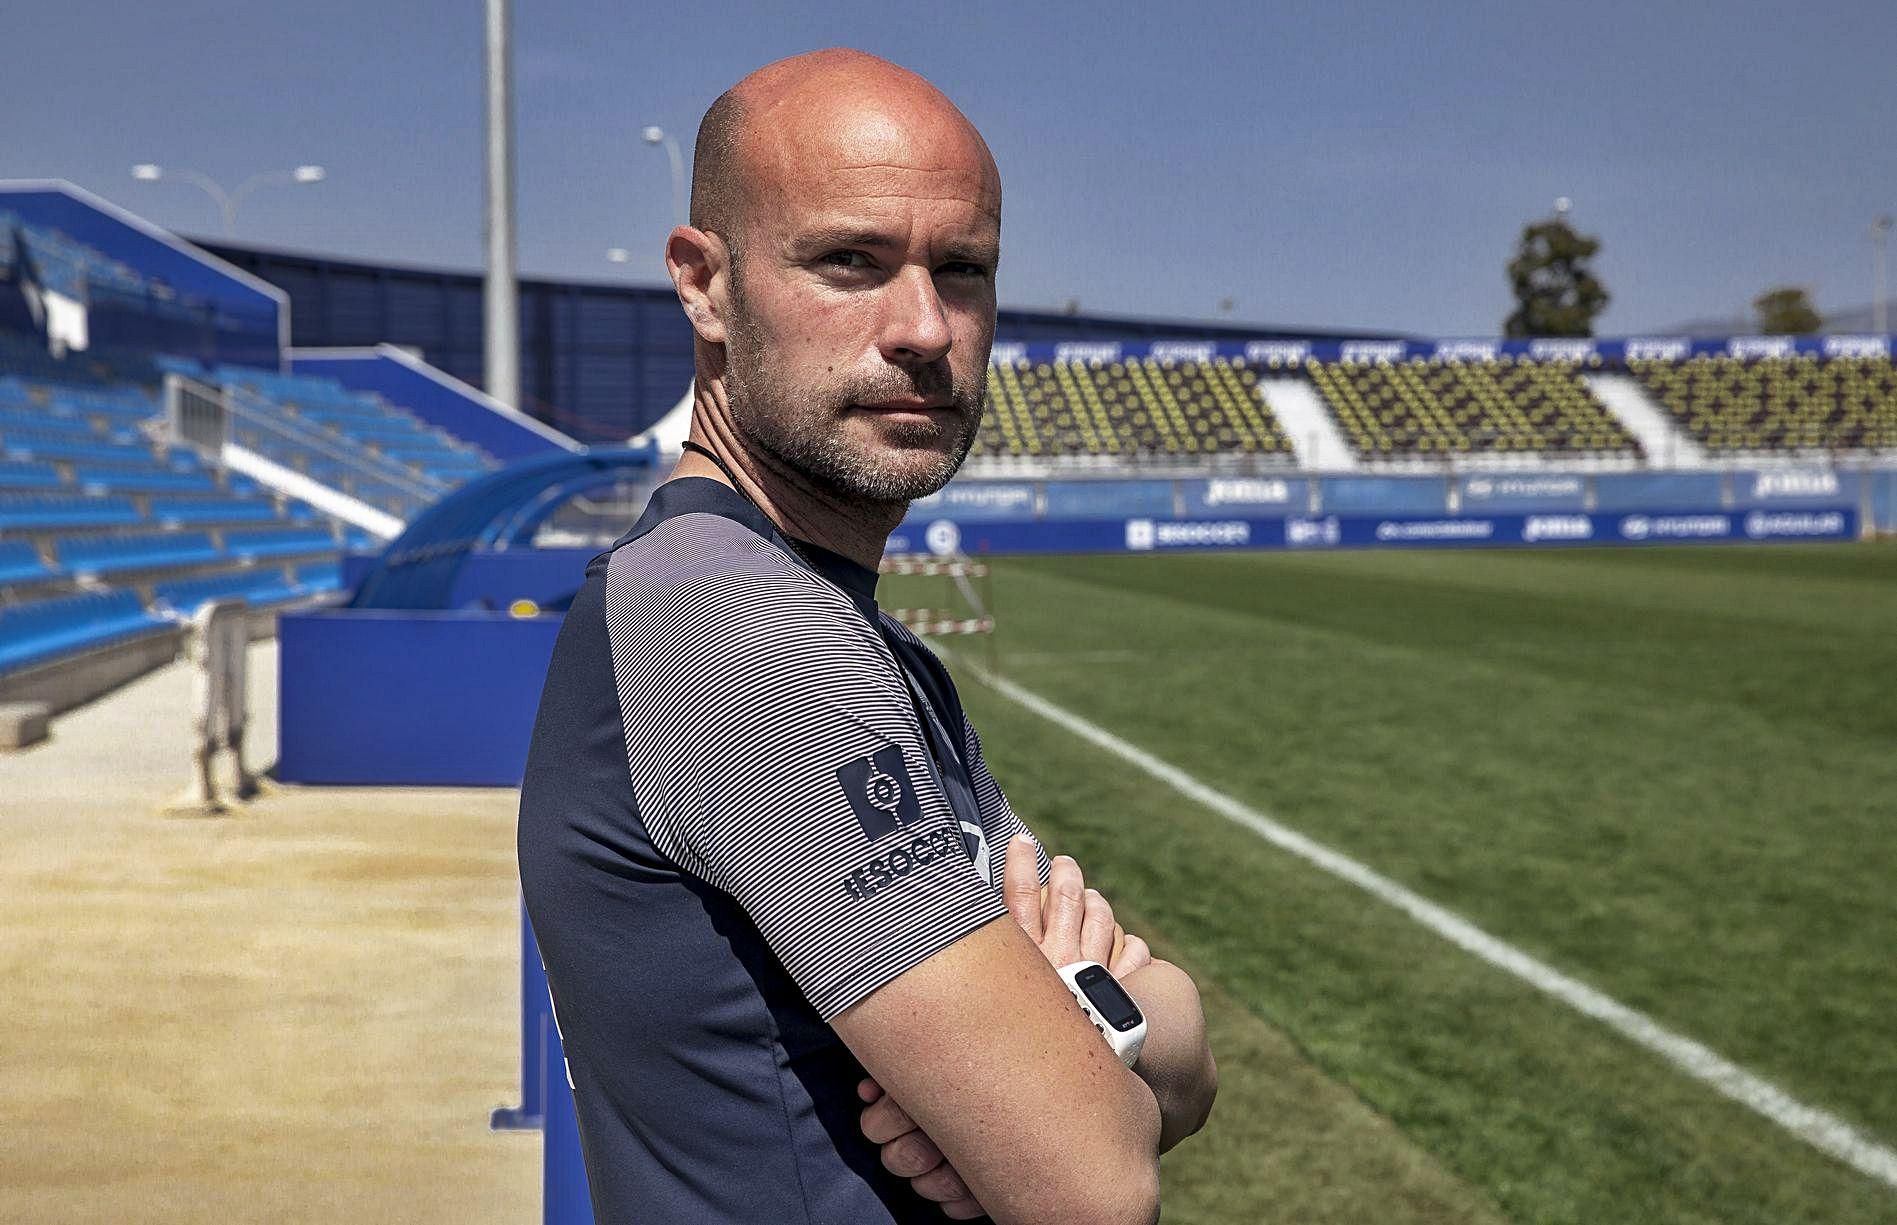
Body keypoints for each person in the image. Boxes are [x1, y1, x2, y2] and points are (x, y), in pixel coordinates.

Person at [517, 48, 1216, 1224]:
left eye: (963, 270)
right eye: (850, 261)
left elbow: (1170, 1034)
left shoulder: (841, 626)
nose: (924, 327)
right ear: (702, 282)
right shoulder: (751, 634)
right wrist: (1091, 1074)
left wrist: (1098, 1043)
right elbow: (1091, 1183)